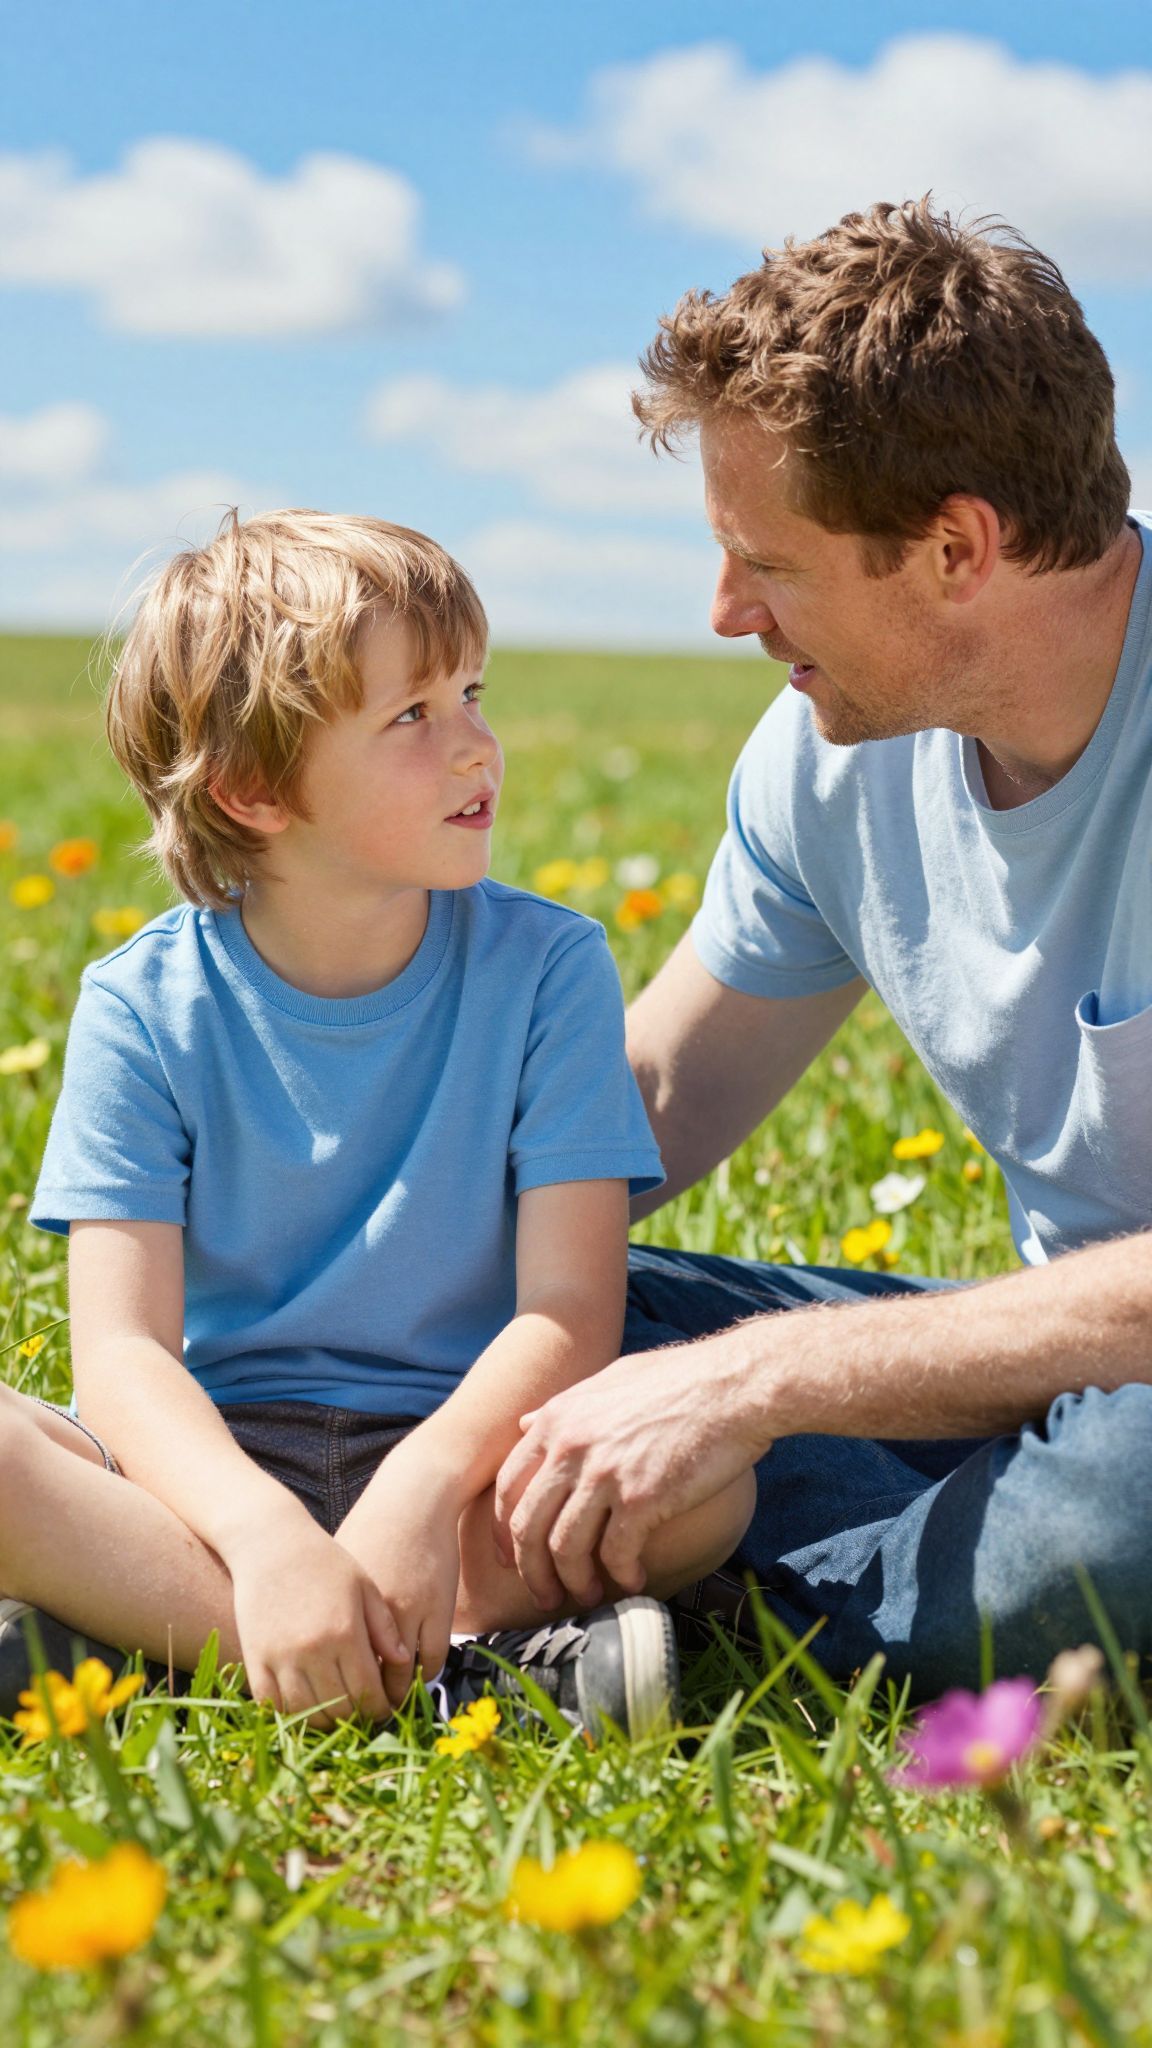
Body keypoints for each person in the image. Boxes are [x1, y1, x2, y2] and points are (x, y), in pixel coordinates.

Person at [492, 198, 1152, 1701]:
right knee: (516, 1304)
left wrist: (751, 1384)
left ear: (956, 548)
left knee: (1120, 1511)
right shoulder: (827, 760)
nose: (724, 614)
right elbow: (651, 1095)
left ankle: (632, 1626)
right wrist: (343, 1259)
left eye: (765, 564)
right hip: (1030, 1379)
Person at [0, 510, 755, 1735]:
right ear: (252, 789)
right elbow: (126, 1357)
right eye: (414, 716)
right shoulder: (138, 1005)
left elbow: (569, 1311)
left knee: (703, 1487)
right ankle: (474, 1666)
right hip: (217, 1467)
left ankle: (153, 1638)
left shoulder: (550, 968)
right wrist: (260, 1533)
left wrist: (421, 1484)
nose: (478, 746)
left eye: (471, 693)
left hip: (466, 1462)